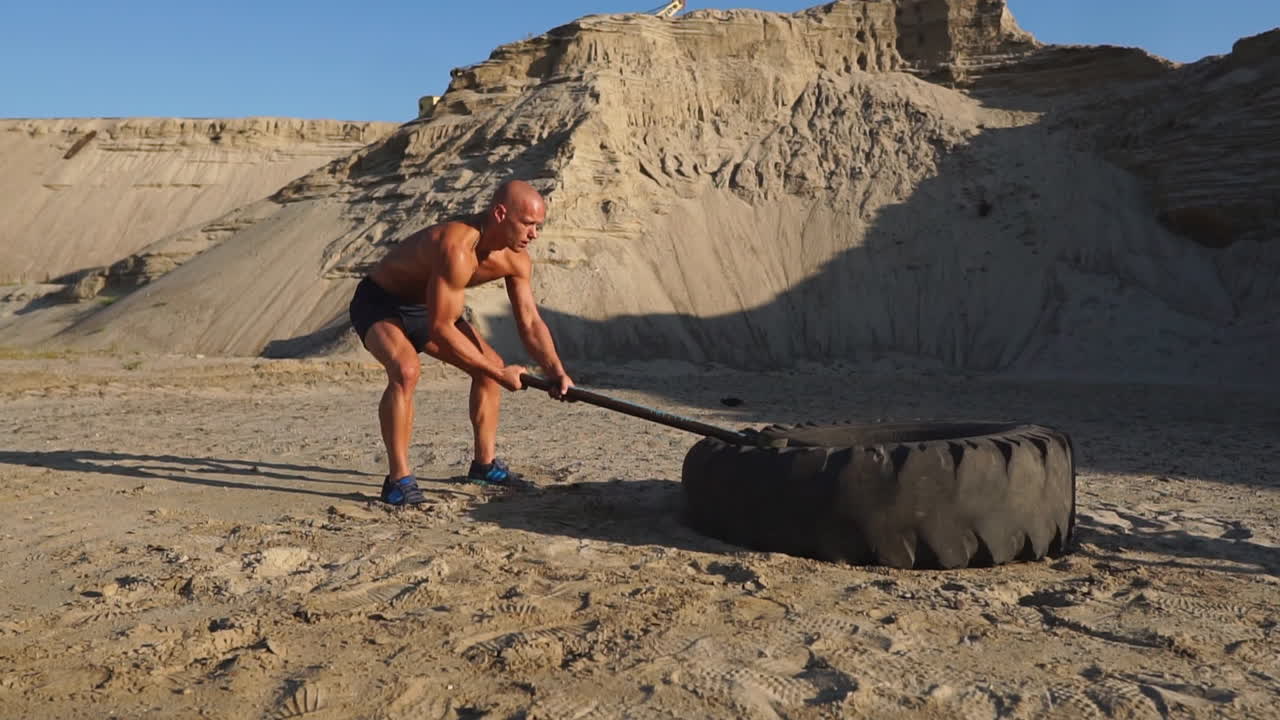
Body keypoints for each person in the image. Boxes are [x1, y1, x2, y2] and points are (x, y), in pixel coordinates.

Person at [348, 179, 574, 505]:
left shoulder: (516, 260)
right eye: (527, 224)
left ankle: (484, 465)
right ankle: (398, 479)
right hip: (381, 302)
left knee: (489, 367)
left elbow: (529, 320)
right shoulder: (457, 247)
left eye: (538, 226)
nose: (534, 234)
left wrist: (555, 370)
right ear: (500, 213)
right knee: (406, 370)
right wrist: (501, 375)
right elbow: (442, 329)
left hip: (430, 305)